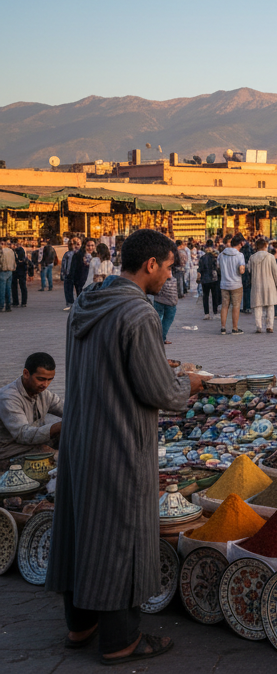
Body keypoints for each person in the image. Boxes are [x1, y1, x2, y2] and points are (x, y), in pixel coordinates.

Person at [47, 229, 203, 663]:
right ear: (150, 264)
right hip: (118, 439)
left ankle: (80, 625)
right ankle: (121, 640)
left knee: (81, 527)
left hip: (80, 435)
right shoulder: (138, 312)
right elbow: (158, 390)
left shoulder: (87, 300)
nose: (170, 276)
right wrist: (187, 384)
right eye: (168, 267)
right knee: (119, 534)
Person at [0, 352, 64, 463]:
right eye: (41, 379)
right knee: (55, 456)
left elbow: (66, 408)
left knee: (71, 436)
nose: (45, 384)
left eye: (49, 379)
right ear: (26, 373)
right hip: (10, 450)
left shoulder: (44, 393)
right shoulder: (8, 397)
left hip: (33, 443)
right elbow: (23, 434)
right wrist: (57, 427)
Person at [248, 237, 277, 334]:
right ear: (265, 246)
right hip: (269, 284)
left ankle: (259, 326)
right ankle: (269, 326)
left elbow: (249, 269)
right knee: (270, 306)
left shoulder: (252, 257)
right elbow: (275, 272)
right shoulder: (270, 257)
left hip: (257, 284)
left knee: (258, 306)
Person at [218, 235, 247, 335]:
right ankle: (235, 328)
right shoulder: (240, 255)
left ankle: (223, 327)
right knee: (236, 305)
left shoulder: (222, 254)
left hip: (224, 283)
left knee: (224, 305)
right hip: (236, 284)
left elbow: (218, 266)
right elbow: (241, 270)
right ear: (240, 244)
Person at [152, 272, 178, 344]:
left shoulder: (158, 278)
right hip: (170, 302)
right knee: (167, 320)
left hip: (158, 301)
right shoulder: (173, 280)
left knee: (157, 319)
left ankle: (155, 337)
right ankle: (161, 338)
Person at [197, 243, 220, 320]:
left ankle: (206, 313)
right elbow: (217, 268)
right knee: (215, 296)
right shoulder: (215, 257)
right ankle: (215, 312)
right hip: (214, 279)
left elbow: (200, 269)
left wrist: (198, 277)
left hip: (204, 279)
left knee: (205, 296)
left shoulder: (202, 258)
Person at [70, 238, 95, 304]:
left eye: (92, 245)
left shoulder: (96, 256)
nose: (90, 248)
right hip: (81, 283)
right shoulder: (78, 256)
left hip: (94, 283)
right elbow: (73, 270)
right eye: (88, 245)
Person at [10, 238, 28, 308]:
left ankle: (16, 302)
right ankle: (23, 302)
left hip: (16, 271)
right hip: (22, 271)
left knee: (15, 287)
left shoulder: (15, 252)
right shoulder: (21, 251)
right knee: (22, 287)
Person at [61, 237, 78, 310]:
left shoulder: (68, 254)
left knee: (69, 289)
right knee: (73, 289)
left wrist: (63, 273)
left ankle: (71, 303)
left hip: (70, 273)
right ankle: (74, 303)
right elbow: (63, 264)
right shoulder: (75, 254)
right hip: (72, 274)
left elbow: (64, 265)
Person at [0, 238, 14, 312]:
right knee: (8, 289)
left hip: (3, 271)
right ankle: (8, 305)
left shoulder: (1, 251)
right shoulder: (11, 251)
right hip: (10, 271)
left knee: (2, 290)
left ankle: (1, 305)